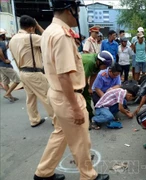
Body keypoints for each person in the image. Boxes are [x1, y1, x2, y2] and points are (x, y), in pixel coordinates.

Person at [33, 1, 109, 180]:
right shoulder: (62, 35)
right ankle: (88, 176)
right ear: (69, 10)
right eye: (78, 9)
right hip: (68, 96)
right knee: (81, 140)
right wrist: (75, 108)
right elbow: (64, 76)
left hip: (58, 95)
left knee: (61, 134)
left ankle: (43, 173)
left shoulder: (50, 31)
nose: (79, 14)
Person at [9, 15, 54, 127]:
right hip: (34, 72)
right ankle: (56, 119)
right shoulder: (31, 37)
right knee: (47, 95)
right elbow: (49, 40)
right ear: (30, 28)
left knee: (31, 98)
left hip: (23, 72)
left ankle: (34, 119)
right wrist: (38, 27)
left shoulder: (12, 39)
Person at [81, 50, 113, 126]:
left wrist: (90, 88)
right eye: (105, 66)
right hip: (76, 73)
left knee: (88, 94)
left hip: (83, 74)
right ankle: (88, 116)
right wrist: (84, 89)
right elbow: (84, 78)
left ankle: (89, 114)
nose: (105, 68)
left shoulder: (98, 64)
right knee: (84, 96)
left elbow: (93, 75)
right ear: (99, 62)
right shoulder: (90, 62)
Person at [0, 28, 20, 102]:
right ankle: (7, 94)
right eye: (4, 35)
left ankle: (10, 97)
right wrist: (4, 60)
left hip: (1, 66)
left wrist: (11, 40)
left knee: (5, 82)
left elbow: (5, 48)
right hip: (5, 65)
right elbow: (0, 52)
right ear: (1, 36)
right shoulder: (1, 43)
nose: (5, 36)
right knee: (17, 80)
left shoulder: (1, 43)